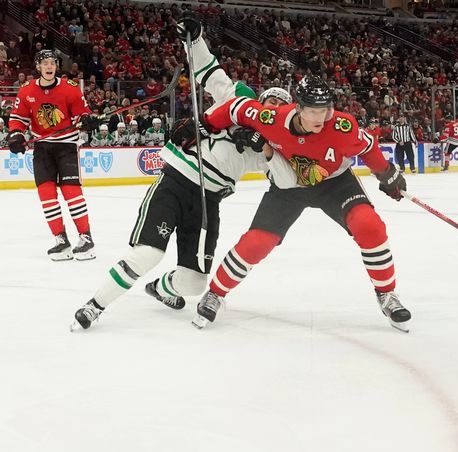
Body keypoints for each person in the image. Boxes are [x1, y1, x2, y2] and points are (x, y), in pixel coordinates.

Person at [71, 14, 295, 330]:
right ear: (259, 100)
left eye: (280, 106)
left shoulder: (275, 145)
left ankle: (161, 288)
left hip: (208, 202)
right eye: (269, 100)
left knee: (194, 284)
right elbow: (208, 70)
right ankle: (95, 305)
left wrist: (266, 148)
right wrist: (195, 37)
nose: (272, 106)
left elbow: (286, 180)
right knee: (147, 253)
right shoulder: (235, 101)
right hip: (176, 182)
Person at [192, 75, 412, 332]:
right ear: (298, 108)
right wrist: (204, 124)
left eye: (326, 109)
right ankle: (216, 294)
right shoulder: (271, 118)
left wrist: (387, 175)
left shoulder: (342, 126)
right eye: (314, 111)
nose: (322, 117)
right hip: (289, 187)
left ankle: (387, 294)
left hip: (335, 183)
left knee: (369, 225)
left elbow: (368, 147)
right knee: (257, 242)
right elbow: (236, 108)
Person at [7, 49, 99, 261]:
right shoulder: (25, 91)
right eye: (45, 63)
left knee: (71, 192)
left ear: (56, 66)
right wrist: (15, 135)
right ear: (38, 67)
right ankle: (60, 239)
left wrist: (86, 120)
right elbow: (18, 119)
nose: (49, 66)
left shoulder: (70, 88)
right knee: (47, 196)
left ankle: (86, 238)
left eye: (52, 63)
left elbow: (80, 115)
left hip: (66, 146)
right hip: (41, 148)